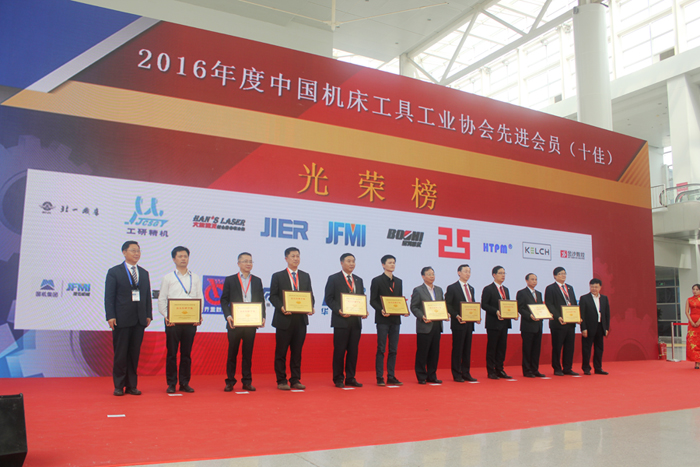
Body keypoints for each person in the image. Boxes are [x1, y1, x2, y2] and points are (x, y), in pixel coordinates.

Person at [104, 241, 152, 396]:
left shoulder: (143, 273)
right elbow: (109, 296)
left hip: (139, 320)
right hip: (121, 319)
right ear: (124, 252)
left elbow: (147, 296)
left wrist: (148, 314)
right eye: (133, 250)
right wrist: (110, 316)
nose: (137, 253)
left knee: (134, 354)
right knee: (121, 354)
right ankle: (119, 385)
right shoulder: (114, 272)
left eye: (138, 251)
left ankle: (132, 385)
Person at [157, 246, 203, 394]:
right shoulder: (168, 278)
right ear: (174, 259)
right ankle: (171, 383)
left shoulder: (195, 277)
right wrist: (167, 316)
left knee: (186, 354)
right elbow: (162, 299)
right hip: (173, 322)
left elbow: (200, 298)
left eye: (185, 256)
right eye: (180, 256)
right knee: (171, 354)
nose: (183, 259)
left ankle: (184, 383)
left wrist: (198, 315)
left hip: (190, 322)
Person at [269, 247, 315, 390]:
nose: (296, 258)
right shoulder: (278, 276)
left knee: (297, 352)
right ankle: (281, 380)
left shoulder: (305, 276)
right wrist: (282, 307)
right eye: (293, 256)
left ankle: (295, 379)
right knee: (281, 352)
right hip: (284, 319)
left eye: (298, 256)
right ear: (286, 258)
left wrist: (311, 306)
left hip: (300, 320)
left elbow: (310, 295)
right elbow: (273, 296)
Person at [220, 252, 265, 392]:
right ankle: (230, 381)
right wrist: (228, 316)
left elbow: (261, 300)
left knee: (248, 354)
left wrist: (262, 316)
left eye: (250, 261)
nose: (248, 264)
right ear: (238, 263)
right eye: (245, 261)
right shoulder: (230, 280)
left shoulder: (257, 280)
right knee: (232, 353)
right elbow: (224, 300)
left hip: (251, 323)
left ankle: (247, 381)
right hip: (234, 322)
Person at [325, 253, 366, 388]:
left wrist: (364, 311)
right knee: (340, 351)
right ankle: (338, 378)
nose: (351, 264)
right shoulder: (333, 278)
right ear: (341, 263)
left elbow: (360, 298)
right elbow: (329, 299)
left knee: (353, 352)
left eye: (353, 261)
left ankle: (350, 377)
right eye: (348, 261)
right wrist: (339, 310)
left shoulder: (358, 280)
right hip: (340, 321)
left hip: (356, 322)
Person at [370, 254, 408, 386]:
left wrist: (403, 309)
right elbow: (373, 300)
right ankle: (379, 377)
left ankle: (391, 376)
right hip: (382, 319)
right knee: (381, 348)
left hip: (395, 320)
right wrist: (381, 309)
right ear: (383, 265)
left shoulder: (399, 281)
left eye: (394, 263)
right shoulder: (377, 280)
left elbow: (398, 300)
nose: (392, 265)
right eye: (390, 262)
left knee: (393, 349)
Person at [445, 264, 479, 382]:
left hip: (469, 323)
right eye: (465, 271)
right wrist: (456, 315)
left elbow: (472, 305)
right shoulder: (452, 288)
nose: (468, 274)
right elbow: (448, 304)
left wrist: (476, 316)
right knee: (458, 349)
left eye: (469, 271)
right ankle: (456, 373)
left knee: (467, 349)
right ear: (459, 273)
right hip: (458, 323)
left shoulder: (471, 288)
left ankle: (466, 372)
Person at [410, 267, 444, 384]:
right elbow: (414, 307)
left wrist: (446, 313)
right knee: (422, 352)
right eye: (429, 274)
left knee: (434, 352)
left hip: (437, 325)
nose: (431, 276)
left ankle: (432, 375)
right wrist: (422, 316)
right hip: (424, 325)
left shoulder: (439, 290)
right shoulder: (418, 290)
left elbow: (442, 305)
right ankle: (421, 376)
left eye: (433, 274)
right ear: (423, 276)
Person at [481, 265, 516, 379]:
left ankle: (500, 369)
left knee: (502, 348)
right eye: (500, 273)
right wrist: (496, 311)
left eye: (504, 273)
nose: (503, 275)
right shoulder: (488, 289)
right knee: (492, 348)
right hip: (493, 323)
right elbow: (484, 305)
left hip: (504, 323)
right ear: (494, 275)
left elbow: (508, 306)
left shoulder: (506, 290)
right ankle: (491, 371)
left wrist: (513, 314)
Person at [545, 267, 579, 376]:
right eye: (560, 274)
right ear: (555, 276)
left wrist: (577, 317)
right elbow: (549, 304)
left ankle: (567, 368)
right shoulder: (550, 288)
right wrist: (558, 316)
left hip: (570, 322)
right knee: (557, 346)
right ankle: (557, 368)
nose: (563, 275)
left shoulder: (570, 288)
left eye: (564, 273)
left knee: (569, 347)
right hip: (558, 323)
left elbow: (573, 303)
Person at [516, 273, 546, 378]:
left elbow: (541, 308)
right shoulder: (522, 293)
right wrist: (529, 316)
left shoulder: (539, 293)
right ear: (527, 281)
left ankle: (535, 369)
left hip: (538, 325)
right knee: (527, 349)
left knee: (536, 349)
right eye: (532, 279)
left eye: (536, 279)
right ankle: (527, 370)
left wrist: (546, 314)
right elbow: (520, 308)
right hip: (528, 325)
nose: (534, 281)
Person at [580, 278, 611, 375]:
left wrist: (606, 328)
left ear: (600, 287)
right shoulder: (584, 298)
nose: (594, 288)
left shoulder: (604, 298)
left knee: (599, 349)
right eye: (592, 286)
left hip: (600, 327)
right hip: (588, 327)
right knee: (587, 349)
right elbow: (582, 315)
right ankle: (586, 368)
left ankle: (598, 368)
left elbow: (607, 314)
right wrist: (583, 328)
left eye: (596, 287)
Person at [686, 284, 700, 369]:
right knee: (693, 341)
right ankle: (696, 362)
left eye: (697, 289)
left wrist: (699, 321)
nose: (695, 291)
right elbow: (687, 312)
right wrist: (691, 321)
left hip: (699, 320)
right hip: (692, 322)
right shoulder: (689, 299)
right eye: (693, 289)